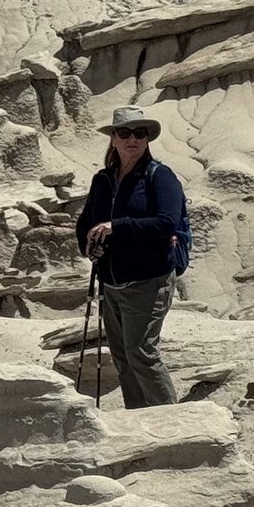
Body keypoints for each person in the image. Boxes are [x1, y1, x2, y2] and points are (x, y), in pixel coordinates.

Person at [75, 106, 191, 408]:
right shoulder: (103, 179)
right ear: (113, 138)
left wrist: (116, 227)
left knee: (142, 354)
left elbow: (167, 222)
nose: (132, 139)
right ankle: (140, 420)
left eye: (140, 134)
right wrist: (89, 246)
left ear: (148, 139)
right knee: (123, 357)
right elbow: (86, 223)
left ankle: (172, 424)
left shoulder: (159, 177)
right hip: (112, 283)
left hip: (149, 280)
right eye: (124, 133)